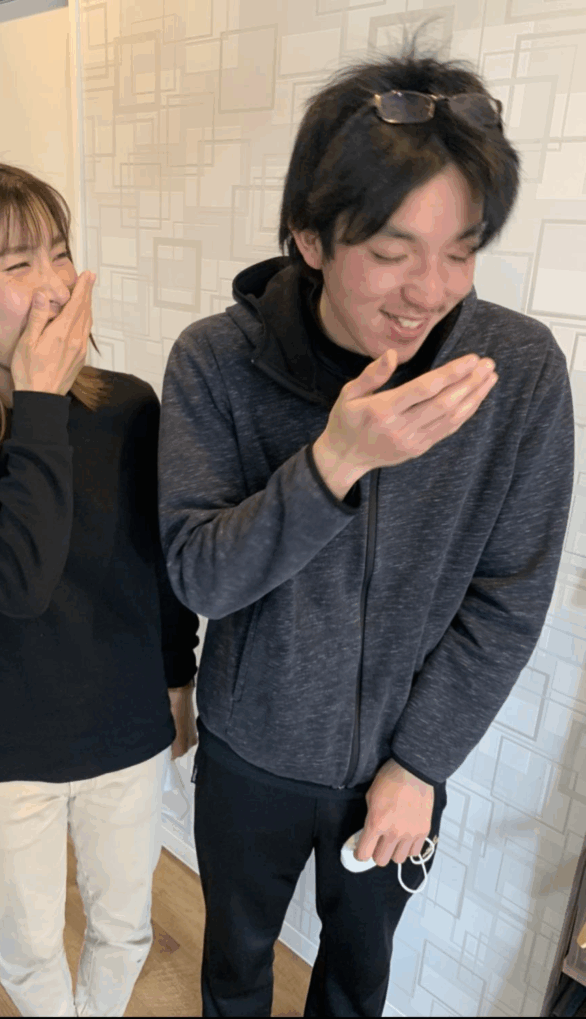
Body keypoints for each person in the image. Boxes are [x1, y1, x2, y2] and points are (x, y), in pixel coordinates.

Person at [157, 44, 575, 1018]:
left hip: (398, 768)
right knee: (235, 967)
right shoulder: (215, 361)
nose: (431, 289)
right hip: (250, 750)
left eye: (461, 249)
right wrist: (330, 465)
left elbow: (509, 596)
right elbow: (198, 573)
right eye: (391, 252)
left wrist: (421, 762)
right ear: (309, 237)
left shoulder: (518, 371)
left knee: (356, 982)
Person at [0, 158, 199, 1018]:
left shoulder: (128, 406)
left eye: (60, 252)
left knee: (125, 929)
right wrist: (40, 404)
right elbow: (16, 580)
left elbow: (160, 565)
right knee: (29, 945)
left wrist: (179, 678)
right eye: (19, 264)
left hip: (125, 723)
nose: (56, 285)